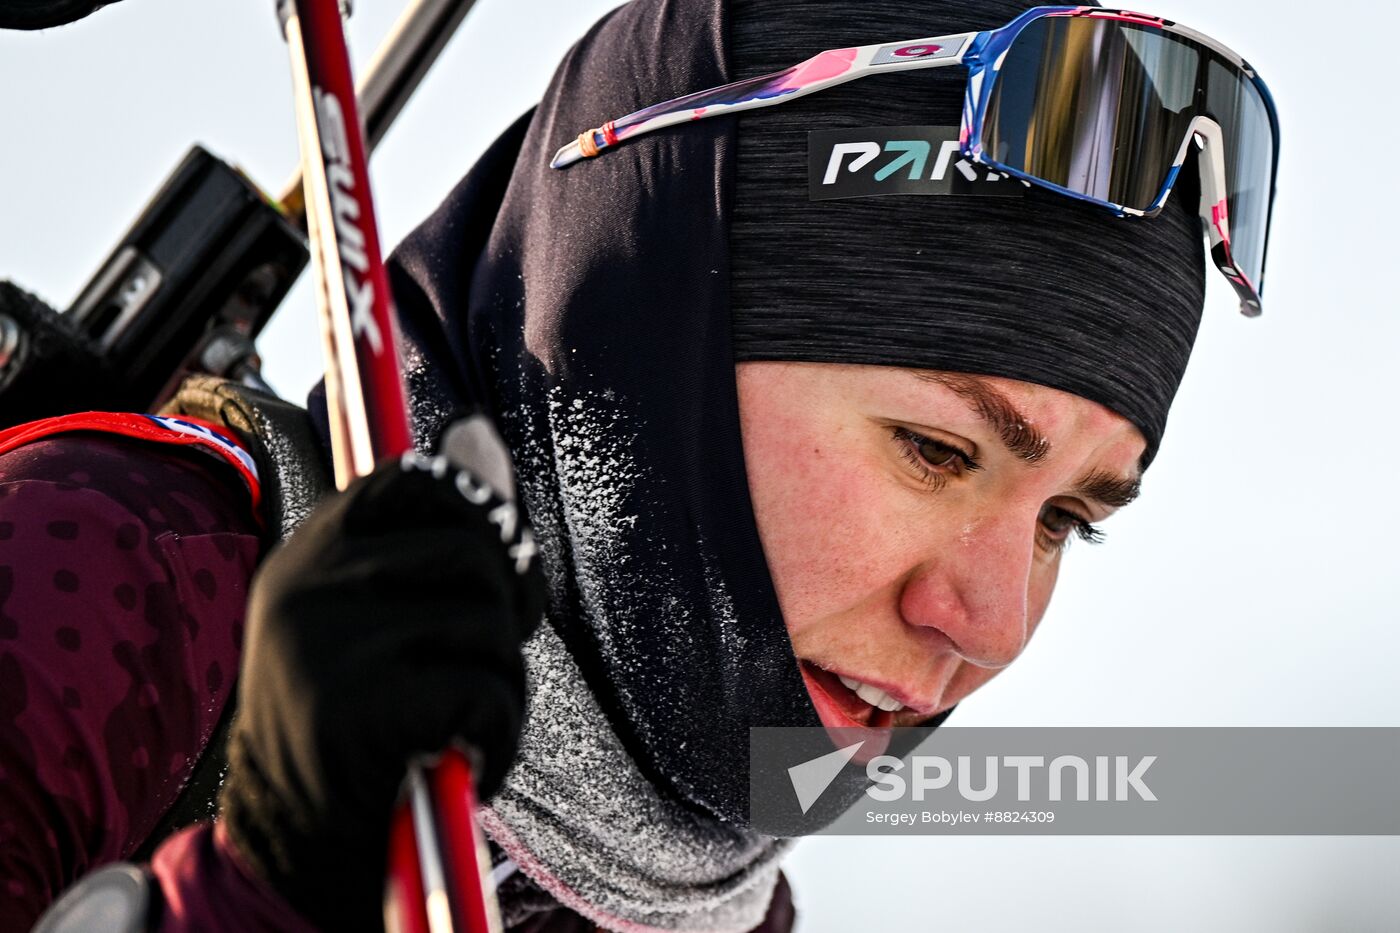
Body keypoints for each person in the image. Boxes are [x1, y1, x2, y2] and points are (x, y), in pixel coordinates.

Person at [10, 0, 1279, 929]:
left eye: (1068, 519)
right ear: (635, 335)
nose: (987, 624)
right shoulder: (120, 564)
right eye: (935, 450)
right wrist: (271, 886)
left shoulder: (710, 915)